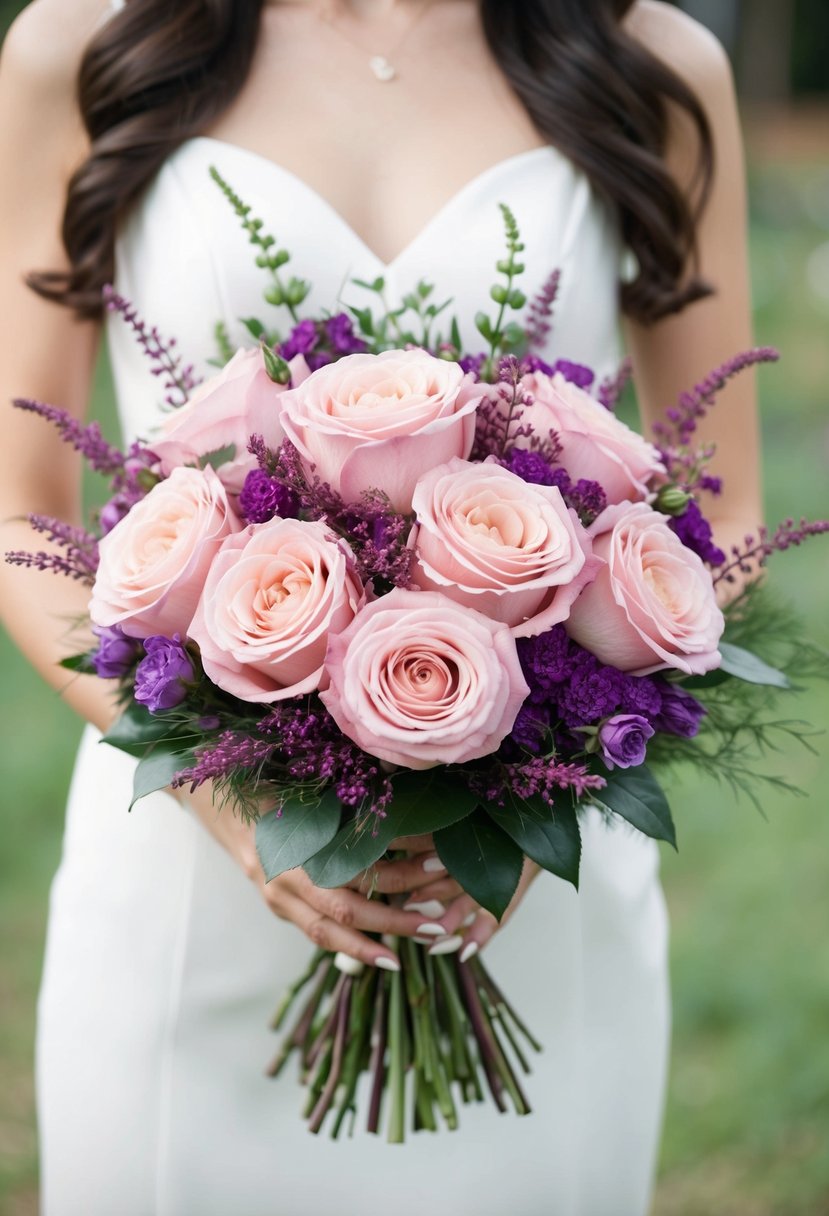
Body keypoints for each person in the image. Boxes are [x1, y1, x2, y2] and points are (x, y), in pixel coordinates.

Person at [0, 0, 762, 1212]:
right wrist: (226, 791)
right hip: (193, 866)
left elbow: (721, 521)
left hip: (521, 896)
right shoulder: (87, 44)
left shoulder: (650, 63)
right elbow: (21, 513)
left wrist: (522, 786)